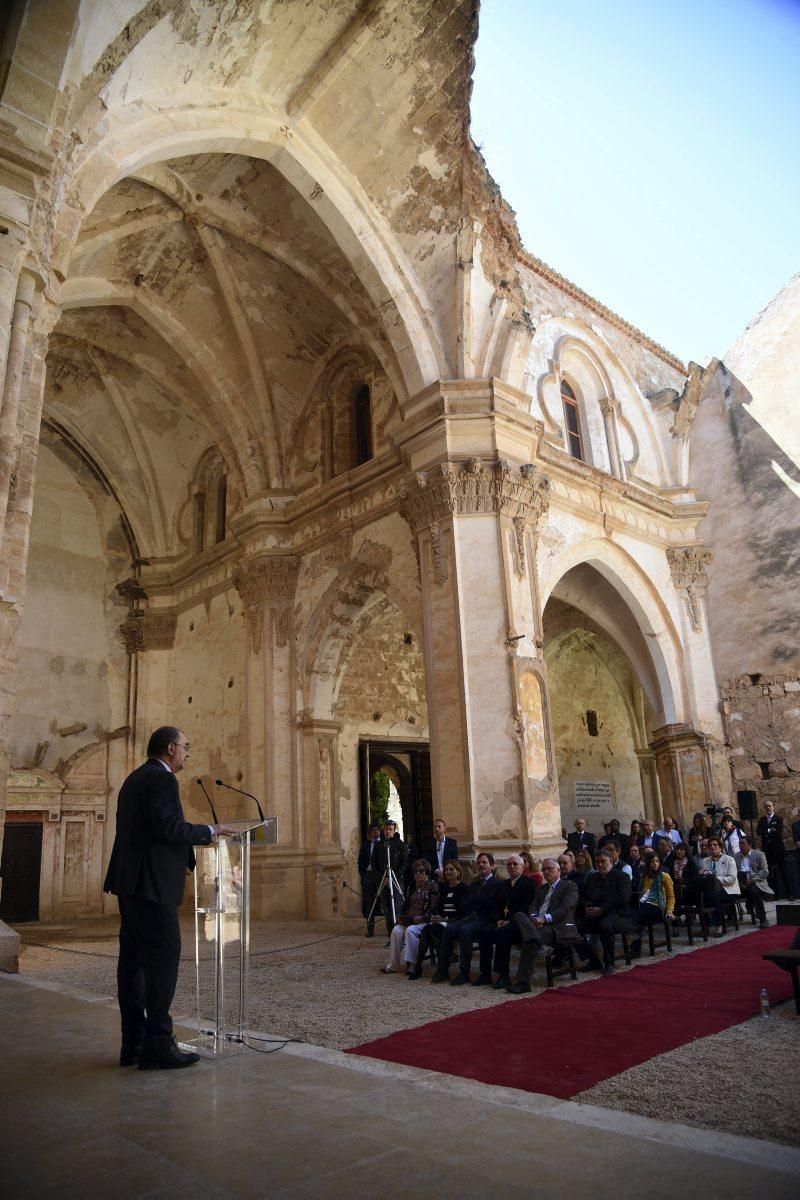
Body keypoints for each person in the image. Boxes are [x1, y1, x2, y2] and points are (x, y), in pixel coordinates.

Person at [103, 726, 237, 1070]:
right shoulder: (162, 780)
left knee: (132, 964)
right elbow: (169, 829)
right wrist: (209, 831)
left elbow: (152, 829)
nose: (188, 753)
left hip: (130, 882)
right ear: (170, 749)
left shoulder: (134, 778)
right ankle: (158, 1045)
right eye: (185, 747)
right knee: (163, 959)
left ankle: (132, 1044)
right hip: (152, 884)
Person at [507, 857, 582, 993]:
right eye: (544, 869)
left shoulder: (569, 886)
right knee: (518, 915)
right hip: (537, 927)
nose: (546, 872)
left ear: (558, 870)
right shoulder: (540, 889)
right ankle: (539, 944)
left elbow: (565, 910)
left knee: (529, 941)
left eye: (550, 869)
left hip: (559, 927)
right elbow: (533, 907)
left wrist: (544, 919)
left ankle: (523, 983)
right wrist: (535, 919)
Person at [430, 851, 500, 985]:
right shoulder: (473, 884)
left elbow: (490, 901)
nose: (481, 865)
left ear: (492, 866)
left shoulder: (497, 883)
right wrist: (476, 900)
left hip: (485, 918)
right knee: (449, 929)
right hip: (469, 916)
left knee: (464, 931)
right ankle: (442, 969)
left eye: (484, 862)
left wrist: (474, 899)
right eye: (479, 863)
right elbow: (463, 904)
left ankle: (464, 972)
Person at [479, 853, 537, 989]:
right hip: (501, 922)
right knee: (484, 931)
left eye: (515, 864)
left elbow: (526, 907)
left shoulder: (529, 884)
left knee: (502, 933)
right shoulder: (502, 885)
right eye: (509, 864)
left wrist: (509, 921)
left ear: (522, 867)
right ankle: (485, 973)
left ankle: (503, 975)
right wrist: (498, 919)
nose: (512, 867)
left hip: (518, 925)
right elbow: (494, 904)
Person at [576, 849, 633, 975]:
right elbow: (585, 896)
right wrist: (586, 907)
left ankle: (609, 962)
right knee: (575, 927)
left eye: (603, 861)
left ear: (611, 861)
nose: (600, 864)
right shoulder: (593, 877)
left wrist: (602, 909)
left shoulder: (621, 876)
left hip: (618, 915)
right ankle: (593, 959)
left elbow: (623, 898)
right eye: (597, 862)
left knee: (605, 925)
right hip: (595, 915)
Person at [381, 860, 439, 975]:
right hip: (410, 919)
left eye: (421, 871)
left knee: (410, 931)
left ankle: (413, 965)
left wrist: (422, 918)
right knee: (396, 930)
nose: (418, 874)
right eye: (416, 871)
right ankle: (393, 964)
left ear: (427, 872)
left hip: (425, 920)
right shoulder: (411, 885)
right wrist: (402, 917)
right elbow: (406, 904)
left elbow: (434, 906)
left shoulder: (432, 885)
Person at [412, 859, 468, 978]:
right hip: (441, 921)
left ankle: (442, 968)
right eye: (446, 869)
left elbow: (464, 913)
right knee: (427, 929)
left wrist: (445, 919)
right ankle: (418, 966)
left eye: (451, 869)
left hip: (454, 921)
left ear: (458, 872)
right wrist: (436, 916)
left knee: (433, 929)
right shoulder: (443, 888)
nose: (448, 872)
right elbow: (437, 907)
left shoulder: (464, 889)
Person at [629, 852, 675, 957]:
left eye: (657, 861)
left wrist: (669, 911)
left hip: (658, 907)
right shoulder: (644, 876)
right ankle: (636, 947)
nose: (655, 863)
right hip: (644, 906)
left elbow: (671, 896)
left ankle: (635, 944)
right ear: (648, 863)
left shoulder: (664, 876)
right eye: (652, 861)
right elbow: (641, 894)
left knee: (639, 914)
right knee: (635, 912)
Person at [699, 835, 740, 935]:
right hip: (711, 889)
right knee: (700, 896)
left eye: (715, 845)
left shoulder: (729, 859)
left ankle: (719, 925)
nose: (712, 847)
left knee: (715, 896)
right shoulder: (705, 861)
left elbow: (732, 879)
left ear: (720, 847)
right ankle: (705, 925)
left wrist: (715, 879)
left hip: (729, 889)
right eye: (710, 845)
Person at [373, 818, 408, 934]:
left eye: (390, 829)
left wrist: (393, 877)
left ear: (394, 830)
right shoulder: (379, 845)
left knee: (396, 907)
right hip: (382, 881)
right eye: (386, 829)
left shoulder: (400, 845)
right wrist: (382, 878)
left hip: (397, 880)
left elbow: (404, 863)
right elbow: (374, 863)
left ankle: (398, 933)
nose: (388, 831)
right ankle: (390, 933)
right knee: (387, 908)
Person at [734, 835, 773, 928]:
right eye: (739, 843)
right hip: (741, 882)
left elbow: (764, 871)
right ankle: (731, 917)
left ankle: (763, 918)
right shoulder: (736, 856)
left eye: (743, 843)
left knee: (754, 891)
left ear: (750, 844)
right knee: (728, 891)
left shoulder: (759, 854)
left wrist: (752, 880)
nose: (740, 846)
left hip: (756, 882)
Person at [756, 800, 792, 899]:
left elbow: (778, 832)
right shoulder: (762, 820)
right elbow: (758, 832)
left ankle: (790, 893)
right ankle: (774, 894)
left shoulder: (778, 819)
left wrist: (766, 832)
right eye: (766, 806)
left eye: (770, 806)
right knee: (770, 873)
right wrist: (769, 830)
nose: (768, 808)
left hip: (778, 849)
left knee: (783, 871)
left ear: (773, 807)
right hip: (768, 850)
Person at [357, 822, 382, 937]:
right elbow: (360, 861)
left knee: (385, 901)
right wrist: (363, 875)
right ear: (370, 832)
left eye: (377, 829)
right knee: (369, 903)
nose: (375, 831)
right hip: (368, 875)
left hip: (381, 876)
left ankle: (390, 929)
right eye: (373, 830)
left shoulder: (383, 844)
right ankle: (370, 929)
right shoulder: (366, 845)